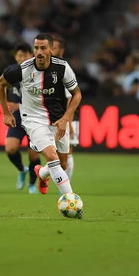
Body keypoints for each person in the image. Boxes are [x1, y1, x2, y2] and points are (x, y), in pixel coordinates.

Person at [0, 33, 82, 195]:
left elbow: (77, 94)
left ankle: (42, 173)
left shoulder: (62, 67)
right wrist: (6, 113)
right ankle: (71, 200)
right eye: (36, 48)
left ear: (51, 49)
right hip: (33, 120)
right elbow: (0, 83)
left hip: (57, 120)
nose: (39, 52)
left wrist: (65, 119)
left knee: (63, 165)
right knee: (52, 157)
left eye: (43, 48)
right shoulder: (23, 69)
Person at [0, 43, 41, 194]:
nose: (22, 58)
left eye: (25, 55)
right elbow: (3, 87)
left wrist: (19, 105)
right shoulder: (12, 72)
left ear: (31, 56)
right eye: (19, 55)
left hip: (34, 117)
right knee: (11, 149)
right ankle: (21, 170)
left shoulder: (37, 72)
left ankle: (32, 184)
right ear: (15, 57)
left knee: (33, 154)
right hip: (18, 118)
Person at [50, 34, 78, 184]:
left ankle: (67, 185)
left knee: (67, 153)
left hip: (67, 116)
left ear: (61, 51)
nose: (50, 50)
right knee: (56, 154)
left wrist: (68, 122)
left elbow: (70, 98)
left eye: (53, 48)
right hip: (55, 117)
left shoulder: (63, 68)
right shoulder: (49, 67)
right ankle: (63, 184)